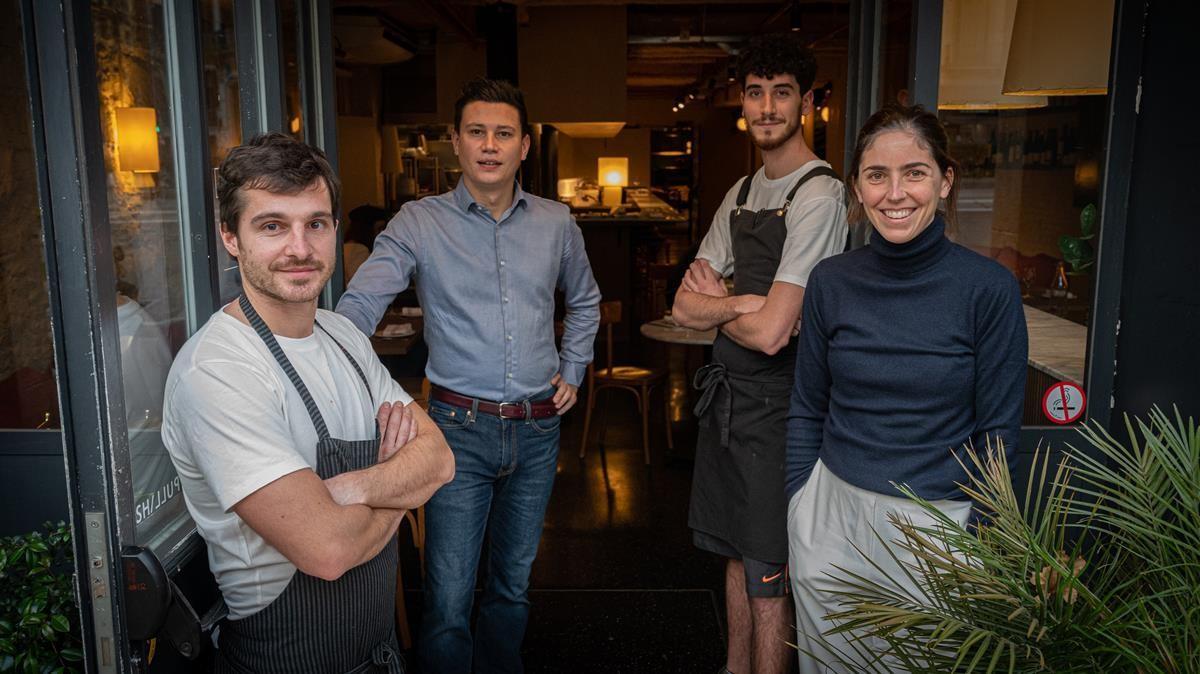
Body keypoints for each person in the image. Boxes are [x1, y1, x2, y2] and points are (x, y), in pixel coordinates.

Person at [162, 133, 455, 673]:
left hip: (376, 653)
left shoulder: (342, 334)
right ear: (231, 237)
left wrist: (352, 488)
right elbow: (327, 551)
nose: (300, 248)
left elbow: (439, 460)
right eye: (272, 225)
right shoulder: (220, 371)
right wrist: (399, 486)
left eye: (315, 224)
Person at [336, 78, 601, 674]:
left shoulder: (557, 222)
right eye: (476, 132)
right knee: (450, 599)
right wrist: (362, 385)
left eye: (503, 133)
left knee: (512, 587)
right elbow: (358, 307)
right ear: (455, 142)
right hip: (455, 430)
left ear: (524, 146)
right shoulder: (418, 222)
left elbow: (585, 301)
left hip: (537, 430)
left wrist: (574, 370)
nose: (489, 145)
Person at [785, 105, 1027, 672]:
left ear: (945, 181)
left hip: (940, 528)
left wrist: (981, 548)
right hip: (832, 516)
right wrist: (801, 506)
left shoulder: (987, 289)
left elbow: (998, 432)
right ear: (857, 187)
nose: (895, 193)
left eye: (914, 172)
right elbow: (806, 407)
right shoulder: (831, 282)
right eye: (877, 175)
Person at [672, 33, 849, 674]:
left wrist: (735, 306)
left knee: (768, 568)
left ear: (805, 102)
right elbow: (685, 306)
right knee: (735, 554)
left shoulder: (820, 195)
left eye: (781, 93)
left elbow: (777, 334)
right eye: (755, 93)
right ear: (741, 102)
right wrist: (747, 305)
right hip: (729, 404)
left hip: (781, 409)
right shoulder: (742, 191)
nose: (767, 107)